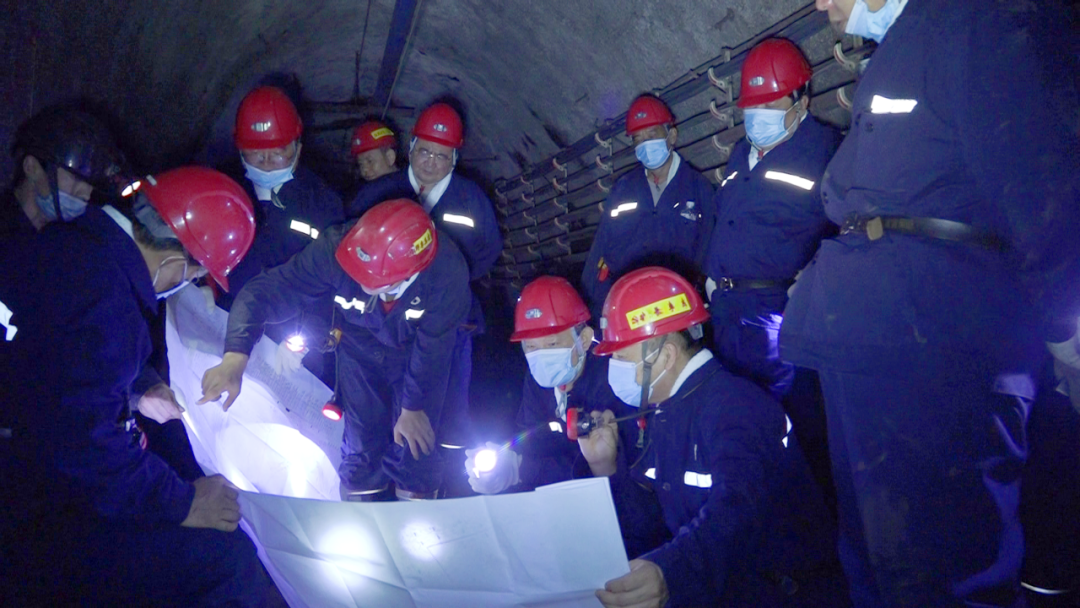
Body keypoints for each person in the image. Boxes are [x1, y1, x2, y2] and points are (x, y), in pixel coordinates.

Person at [780, 1, 1080, 606]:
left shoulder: (977, 21)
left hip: (933, 344)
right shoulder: (901, 47)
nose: (820, 4)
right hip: (872, 342)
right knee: (878, 567)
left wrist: (1065, 330)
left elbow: (1037, 183)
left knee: (942, 567)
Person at [0, 166, 275, 605]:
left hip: (24, 445)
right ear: (176, 260)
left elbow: (58, 361)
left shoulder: (69, 242)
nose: (187, 283)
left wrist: (137, 387)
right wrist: (184, 503)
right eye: (195, 274)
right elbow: (83, 446)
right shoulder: (109, 305)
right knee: (228, 560)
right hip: (29, 508)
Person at [580, 267, 845, 608]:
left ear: (665, 356)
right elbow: (653, 521)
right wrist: (606, 466)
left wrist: (671, 574)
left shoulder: (736, 407)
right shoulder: (667, 411)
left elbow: (739, 509)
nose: (613, 368)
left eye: (621, 356)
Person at [200, 199, 472, 501]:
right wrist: (235, 356)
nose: (358, 280)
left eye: (371, 280)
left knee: (416, 442)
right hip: (358, 348)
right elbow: (266, 292)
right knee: (361, 442)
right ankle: (361, 505)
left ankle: (419, 508)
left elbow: (434, 348)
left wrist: (413, 406)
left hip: (417, 353)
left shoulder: (447, 271)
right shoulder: (336, 249)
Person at [705, 38, 842, 398]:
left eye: (769, 103)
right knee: (736, 412)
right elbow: (723, 219)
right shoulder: (740, 155)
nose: (758, 114)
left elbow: (848, 224)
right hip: (726, 311)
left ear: (802, 101)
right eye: (752, 105)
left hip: (778, 313)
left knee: (785, 411)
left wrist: (813, 279)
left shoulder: (826, 150)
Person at [581, 95, 715, 317]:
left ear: (672, 136)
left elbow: (710, 253)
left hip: (677, 305)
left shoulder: (699, 189)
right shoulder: (623, 189)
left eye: (652, 135)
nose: (645, 144)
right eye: (638, 139)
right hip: (628, 303)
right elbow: (601, 249)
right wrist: (591, 308)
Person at [345, 102, 501, 282]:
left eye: (441, 156)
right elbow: (349, 236)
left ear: (453, 159)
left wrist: (459, 280)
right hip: (386, 288)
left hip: (446, 290)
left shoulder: (471, 198)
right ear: (411, 149)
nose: (430, 162)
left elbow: (491, 248)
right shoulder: (378, 192)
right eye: (424, 152)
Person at [2, 105, 123, 237]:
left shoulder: (63, 239)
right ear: (32, 168)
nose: (86, 194)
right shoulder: (6, 233)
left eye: (91, 183)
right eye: (76, 178)